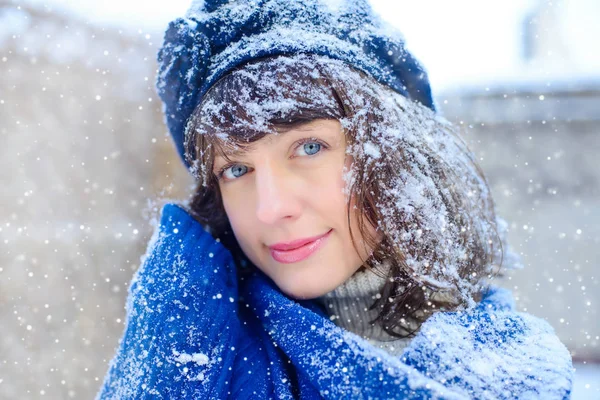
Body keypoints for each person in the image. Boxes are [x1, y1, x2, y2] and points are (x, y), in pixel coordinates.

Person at [96, 0, 574, 398]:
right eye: (236, 169)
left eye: (308, 147)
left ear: (393, 155)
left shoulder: (512, 371)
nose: (269, 207)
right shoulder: (194, 357)